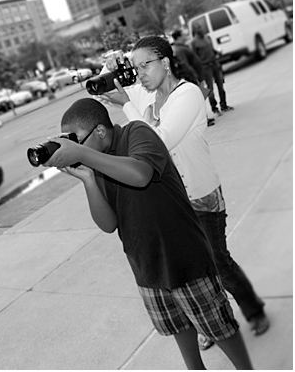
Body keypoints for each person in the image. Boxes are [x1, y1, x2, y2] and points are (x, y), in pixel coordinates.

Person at [44, 98, 253, 370]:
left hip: (185, 257)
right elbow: (108, 224)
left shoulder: (136, 133)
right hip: (146, 266)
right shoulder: (94, 162)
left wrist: (83, 154)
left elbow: (141, 174)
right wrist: (88, 179)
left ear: (100, 131)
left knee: (220, 329)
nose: (75, 147)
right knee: (178, 327)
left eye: (76, 140)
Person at [98, 36, 269, 351]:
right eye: (135, 68)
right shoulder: (145, 92)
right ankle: (208, 323)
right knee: (192, 272)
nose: (140, 74)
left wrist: (125, 104)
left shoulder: (187, 93)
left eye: (145, 65)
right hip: (175, 203)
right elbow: (114, 86)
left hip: (202, 196)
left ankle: (253, 309)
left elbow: (157, 141)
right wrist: (111, 70)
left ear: (164, 62)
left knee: (217, 264)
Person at [171, 29, 214, 127]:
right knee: (197, 100)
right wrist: (193, 76)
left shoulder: (182, 47)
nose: (186, 36)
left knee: (200, 99)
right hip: (193, 77)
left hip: (197, 76)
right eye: (183, 35)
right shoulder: (180, 49)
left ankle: (204, 118)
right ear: (178, 37)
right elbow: (185, 64)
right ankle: (202, 120)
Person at [191, 24, 234, 116]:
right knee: (210, 88)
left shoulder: (207, 38)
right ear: (195, 31)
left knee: (220, 84)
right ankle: (214, 108)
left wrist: (217, 52)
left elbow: (211, 49)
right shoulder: (194, 42)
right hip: (206, 67)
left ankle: (224, 105)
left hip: (215, 64)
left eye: (201, 27)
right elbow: (194, 57)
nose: (201, 29)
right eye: (199, 28)